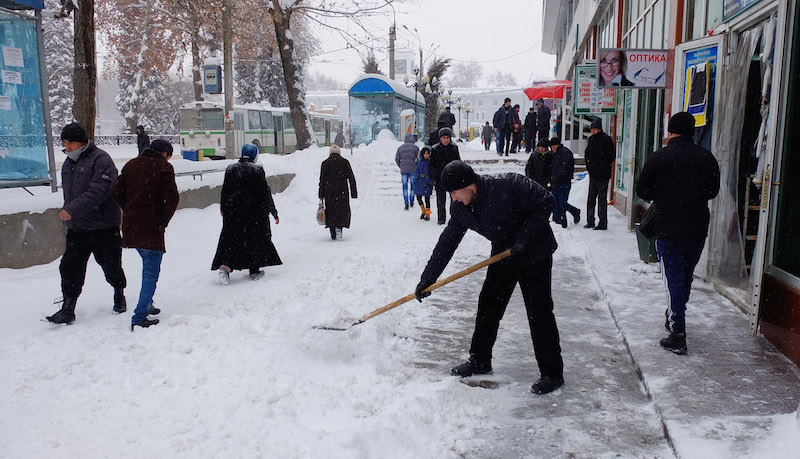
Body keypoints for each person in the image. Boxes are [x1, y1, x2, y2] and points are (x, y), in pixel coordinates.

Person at [414, 161, 564, 394]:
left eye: (455, 192)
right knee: (488, 306)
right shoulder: (461, 207)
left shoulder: (507, 185)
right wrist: (428, 278)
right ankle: (480, 360)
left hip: (535, 252)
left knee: (539, 312)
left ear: (469, 185)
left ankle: (552, 374)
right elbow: (448, 242)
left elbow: (547, 201)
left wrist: (524, 238)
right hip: (503, 253)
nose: (453, 198)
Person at [636, 112, 720, 355]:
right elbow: (712, 191)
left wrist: (665, 193)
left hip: (668, 225)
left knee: (673, 278)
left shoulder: (659, 157)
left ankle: (678, 334)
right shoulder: (706, 157)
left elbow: (643, 190)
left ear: (670, 130)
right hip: (697, 226)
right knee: (685, 275)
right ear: (692, 131)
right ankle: (674, 314)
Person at [46, 122, 127, 324]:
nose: (67, 147)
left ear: (81, 142)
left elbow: (99, 191)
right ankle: (68, 308)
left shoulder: (101, 160)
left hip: (103, 226)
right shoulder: (69, 163)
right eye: (64, 143)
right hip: (78, 228)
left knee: (111, 266)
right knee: (69, 267)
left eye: (70, 143)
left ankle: (119, 292)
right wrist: (71, 212)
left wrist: (71, 209)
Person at [114, 139, 179, 330]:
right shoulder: (164, 168)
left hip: (132, 226)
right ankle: (139, 315)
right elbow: (172, 199)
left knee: (147, 266)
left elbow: (117, 193)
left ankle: (147, 303)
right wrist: (163, 220)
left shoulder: (131, 165)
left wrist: (130, 211)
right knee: (150, 272)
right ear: (164, 153)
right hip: (151, 227)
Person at [212, 143, 282, 284]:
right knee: (253, 241)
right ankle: (254, 270)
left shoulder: (231, 169)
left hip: (233, 213)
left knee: (231, 240)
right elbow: (265, 194)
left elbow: (225, 192)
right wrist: (273, 212)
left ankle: (225, 267)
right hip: (254, 213)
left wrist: (223, 209)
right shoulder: (257, 170)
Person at [319, 144, 358, 240]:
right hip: (342, 191)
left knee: (331, 210)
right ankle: (339, 228)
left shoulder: (325, 163)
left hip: (329, 191)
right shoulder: (345, 162)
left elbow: (322, 180)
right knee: (341, 210)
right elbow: (351, 178)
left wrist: (321, 194)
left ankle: (332, 231)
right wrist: (353, 193)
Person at [583, 119, 616, 230]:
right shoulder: (591, 140)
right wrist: (590, 168)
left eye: (594, 129)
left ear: (599, 129)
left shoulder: (607, 140)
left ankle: (602, 222)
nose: (593, 131)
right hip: (593, 174)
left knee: (602, 199)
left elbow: (611, 156)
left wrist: (603, 166)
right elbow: (587, 154)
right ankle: (590, 221)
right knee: (591, 198)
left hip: (603, 175)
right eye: (592, 129)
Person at [429, 127, 461, 225]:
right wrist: (432, 178)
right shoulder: (435, 149)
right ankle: (441, 219)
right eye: (444, 138)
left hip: (452, 177)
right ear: (440, 138)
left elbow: (458, 162)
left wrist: (458, 175)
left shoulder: (454, 148)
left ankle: (454, 217)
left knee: (454, 199)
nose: (446, 140)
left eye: (447, 138)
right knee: (440, 200)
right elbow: (431, 165)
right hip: (440, 178)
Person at [549, 137, 580, 228]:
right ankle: (558, 219)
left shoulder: (565, 153)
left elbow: (565, 168)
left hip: (564, 182)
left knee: (562, 202)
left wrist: (557, 177)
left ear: (557, 145)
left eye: (553, 146)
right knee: (556, 202)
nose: (552, 148)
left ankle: (562, 220)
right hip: (556, 182)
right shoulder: (554, 154)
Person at [396, 133, 419, 210]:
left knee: (405, 186)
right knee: (413, 186)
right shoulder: (415, 148)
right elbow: (419, 158)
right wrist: (416, 165)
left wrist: (401, 166)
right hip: (413, 169)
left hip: (404, 170)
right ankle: (412, 200)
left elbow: (397, 159)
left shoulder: (400, 148)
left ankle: (406, 203)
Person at [413, 147, 433, 221]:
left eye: (427, 153)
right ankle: (423, 211)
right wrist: (415, 179)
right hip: (419, 182)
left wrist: (427, 181)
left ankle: (428, 214)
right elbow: (416, 170)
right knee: (418, 197)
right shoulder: (420, 162)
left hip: (427, 182)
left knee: (427, 199)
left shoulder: (431, 163)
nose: (426, 155)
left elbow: (431, 173)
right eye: (425, 154)